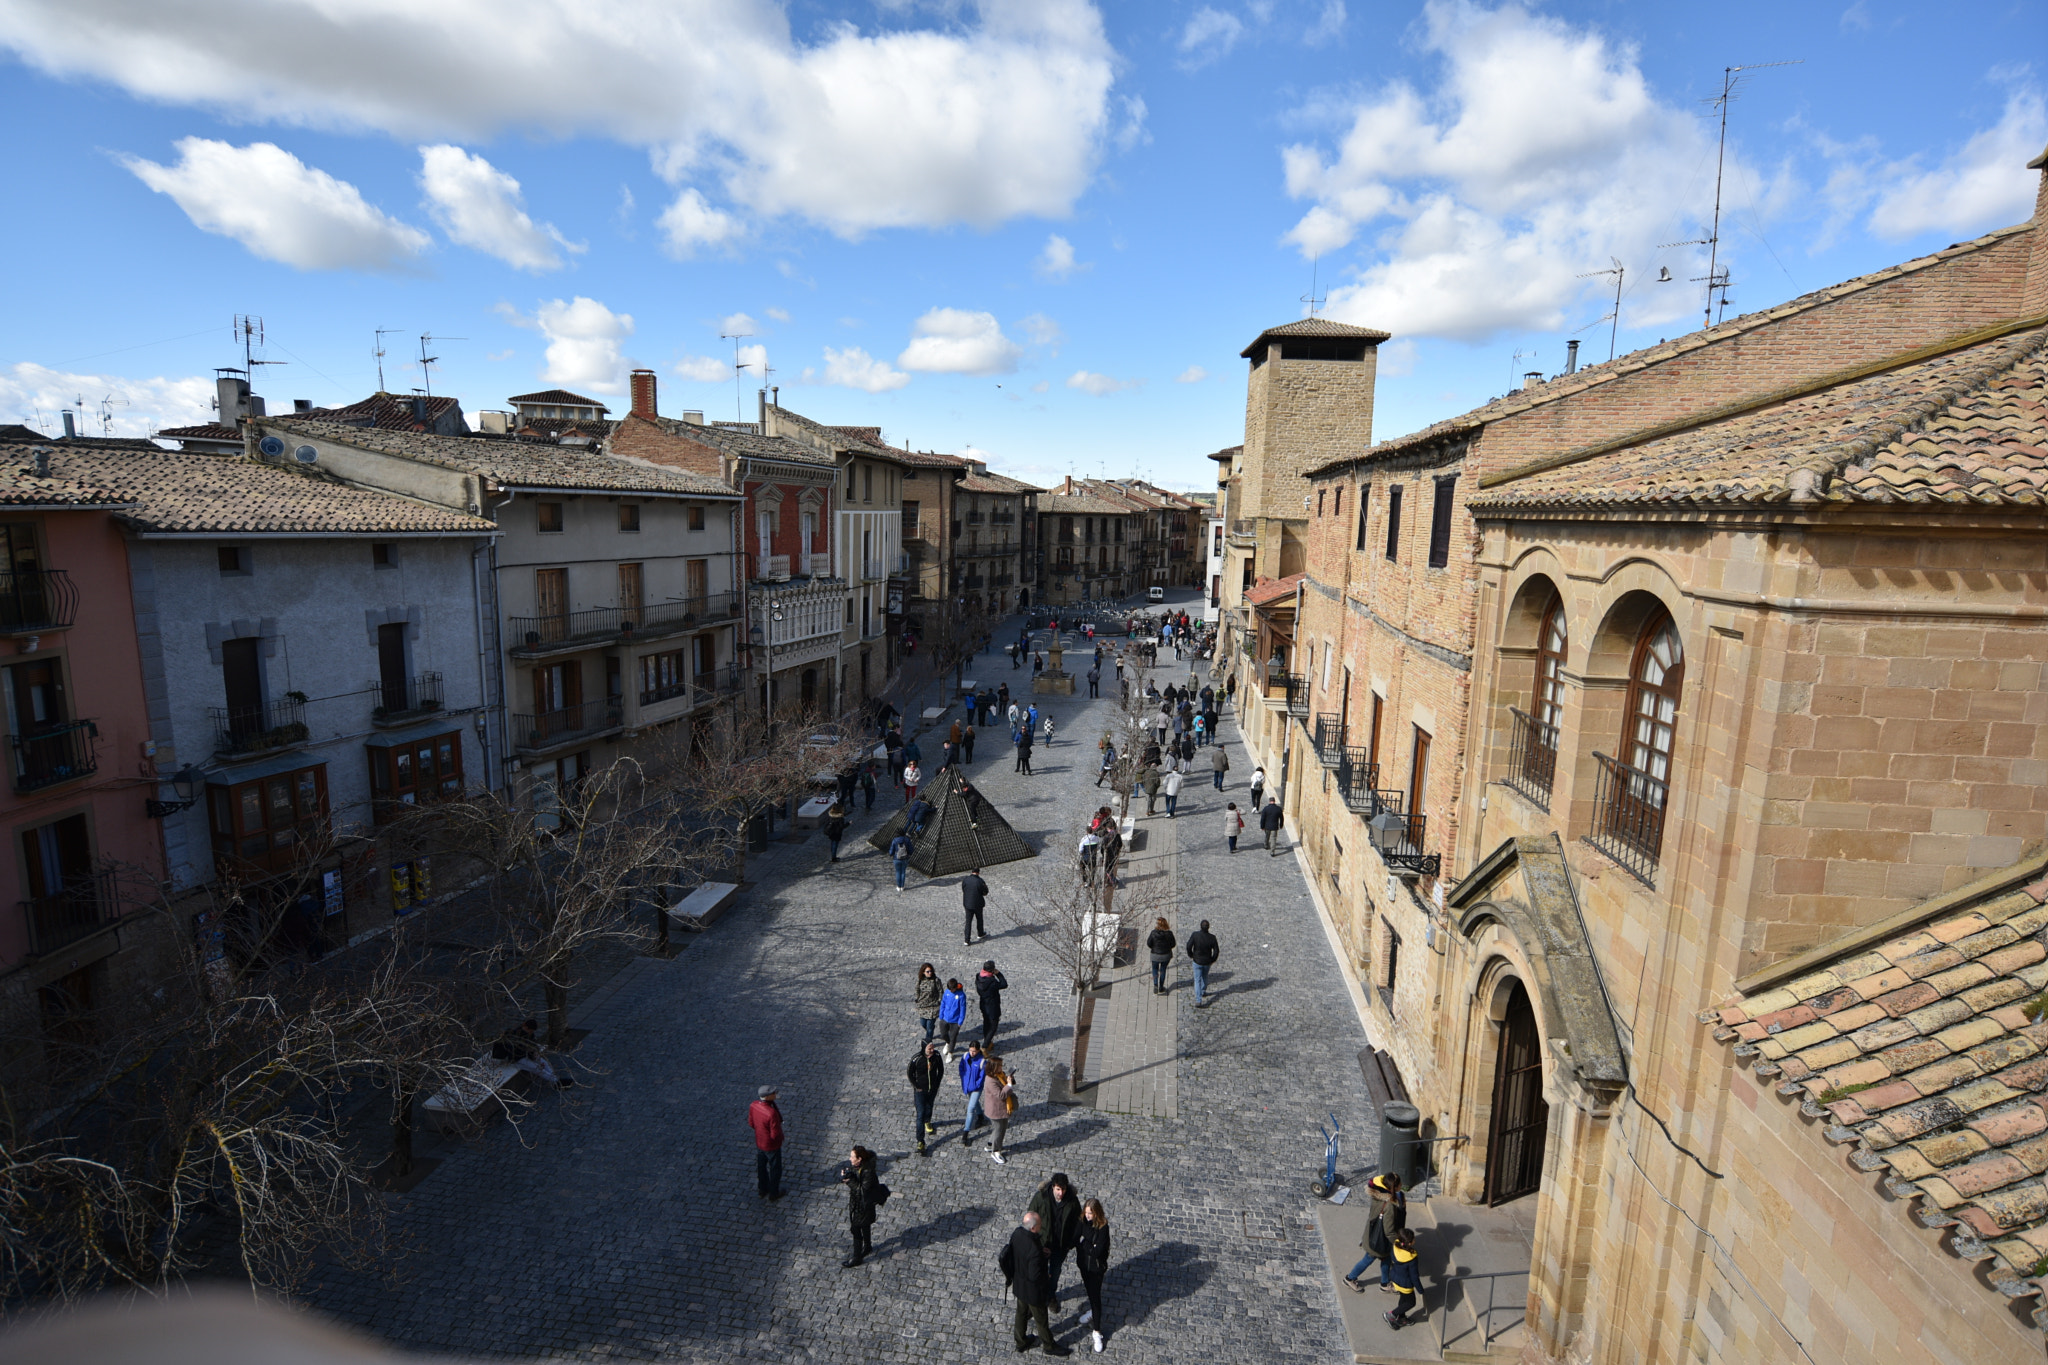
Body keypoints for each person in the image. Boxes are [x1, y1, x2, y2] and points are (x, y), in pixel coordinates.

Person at [1004, 1211, 1069, 1356]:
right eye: (1040, 1225)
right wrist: (1047, 1274)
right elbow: (1035, 1275)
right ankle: (1049, 1345)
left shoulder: (1017, 1233)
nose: (1041, 1226)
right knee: (1041, 1320)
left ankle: (1020, 1341)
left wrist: (1040, 1251)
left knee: (1021, 1313)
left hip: (1019, 1285)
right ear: (1033, 1228)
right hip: (1033, 1292)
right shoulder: (1034, 1250)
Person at [1344, 1172, 1407, 1291]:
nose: (1402, 1185)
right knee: (1368, 1259)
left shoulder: (1378, 1195)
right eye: (1400, 1183)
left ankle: (1384, 1283)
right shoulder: (1389, 1206)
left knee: (1386, 1259)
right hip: (1379, 1240)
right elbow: (1388, 1231)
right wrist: (1398, 1243)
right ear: (1394, 1187)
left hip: (1372, 1235)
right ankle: (1350, 1278)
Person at [1029, 1173, 1084, 1304]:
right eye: (1058, 1189)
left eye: (1063, 1189)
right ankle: (1037, 1297)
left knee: (1055, 1272)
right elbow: (1030, 1218)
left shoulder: (1072, 1201)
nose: (1061, 1193)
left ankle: (1050, 1295)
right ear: (1053, 1187)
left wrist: (1071, 1243)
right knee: (1038, 1272)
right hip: (1042, 1243)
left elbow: (1079, 1222)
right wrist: (1035, 1241)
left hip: (1060, 1246)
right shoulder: (1041, 1198)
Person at [493, 1019, 572, 1088]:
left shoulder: (529, 1034)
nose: (531, 1033)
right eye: (530, 1031)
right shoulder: (515, 1035)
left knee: (544, 1063)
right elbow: (514, 1053)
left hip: (527, 1055)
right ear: (526, 1027)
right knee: (537, 1068)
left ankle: (555, 1080)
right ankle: (556, 1081)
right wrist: (529, 1052)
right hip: (517, 1059)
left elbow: (533, 1044)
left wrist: (534, 1052)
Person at [1075, 1199, 1110, 1352]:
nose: (1088, 1216)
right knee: (1090, 1292)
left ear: (1097, 1213)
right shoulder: (1083, 1221)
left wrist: (1085, 1244)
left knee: (1095, 1298)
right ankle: (1092, 1313)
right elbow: (1076, 1237)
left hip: (1096, 1269)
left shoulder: (1103, 1227)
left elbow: (1098, 1251)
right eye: (1086, 1212)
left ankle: (1097, 1331)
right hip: (1084, 1266)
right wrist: (1089, 1243)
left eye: (1091, 1213)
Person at [838, 1145, 880, 1268]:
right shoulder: (859, 1166)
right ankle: (867, 1246)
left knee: (856, 1229)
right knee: (864, 1224)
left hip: (863, 1206)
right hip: (860, 1204)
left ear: (860, 1159)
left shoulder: (868, 1172)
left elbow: (862, 1191)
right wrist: (847, 1176)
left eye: (852, 1157)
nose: (850, 1159)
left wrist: (850, 1182)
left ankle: (857, 1258)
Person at [748, 1084, 785, 1200]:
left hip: (760, 1142)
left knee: (761, 1167)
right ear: (768, 1097)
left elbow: (751, 1123)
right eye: (773, 1093)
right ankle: (774, 1193)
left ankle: (762, 1189)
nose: (775, 1094)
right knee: (775, 1169)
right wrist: (780, 1140)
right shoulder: (771, 1113)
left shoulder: (753, 1105)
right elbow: (775, 1134)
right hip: (771, 1145)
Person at [1382, 1228, 1423, 1330]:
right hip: (1406, 1284)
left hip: (1395, 1278)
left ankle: (1402, 1318)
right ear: (1409, 1243)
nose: (1415, 1240)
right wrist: (1420, 1289)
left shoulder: (1396, 1247)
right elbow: (1414, 1276)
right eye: (1414, 1239)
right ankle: (1391, 1315)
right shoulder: (1411, 1257)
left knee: (1404, 1299)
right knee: (1411, 1302)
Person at [909, 1042, 945, 1156]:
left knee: (929, 1107)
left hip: (932, 1089)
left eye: (933, 1047)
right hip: (920, 1091)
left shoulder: (937, 1056)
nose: (932, 1050)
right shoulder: (917, 1058)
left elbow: (941, 1070)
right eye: (930, 1048)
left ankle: (928, 1121)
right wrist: (917, 1087)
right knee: (920, 1114)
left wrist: (937, 1084)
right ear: (924, 1048)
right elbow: (910, 1073)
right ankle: (920, 1141)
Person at [981, 1053, 1017, 1163]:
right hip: (995, 1110)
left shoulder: (999, 1074)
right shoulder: (990, 1080)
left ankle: (990, 1144)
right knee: (999, 1130)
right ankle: (996, 1151)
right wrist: (1009, 1085)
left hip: (1001, 1109)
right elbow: (1001, 1095)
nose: (1002, 1068)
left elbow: (1005, 1083)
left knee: (1000, 1127)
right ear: (993, 1067)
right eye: (1000, 1066)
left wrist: (1010, 1080)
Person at [959, 1042, 988, 1143]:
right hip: (967, 1086)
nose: (972, 1053)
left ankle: (965, 1133)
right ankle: (980, 1116)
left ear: (978, 1050)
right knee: (974, 1102)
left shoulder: (982, 1061)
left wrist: (976, 1085)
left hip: (976, 1088)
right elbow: (961, 1068)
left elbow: (982, 1077)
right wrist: (964, 1078)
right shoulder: (965, 1056)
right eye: (971, 1050)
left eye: (974, 1051)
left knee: (970, 1109)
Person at [1186, 919, 1220, 1007]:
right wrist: (1213, 959)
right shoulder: (1212, 937)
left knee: (1197, 980)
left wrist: (1191, 955)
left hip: (1197, 961)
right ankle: (1203, 991)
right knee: (1204, 976)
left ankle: (1198, 999)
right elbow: (1216, 951)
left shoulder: (1195, 935)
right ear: (1208, 927)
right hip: (1207, 961)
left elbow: (1188, 946)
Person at [976, 959, 1008, 1046]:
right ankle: (985, 1045)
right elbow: (1004, 984)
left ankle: (988, 1041)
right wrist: (999, 974)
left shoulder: (978, 977)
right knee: (993, 1026)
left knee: (986, 1023)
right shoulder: (992, 982)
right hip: (992, 1007)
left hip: (983, 1004)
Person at [1146, 917, 1176, 995]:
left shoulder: (1153, 933)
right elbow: (1173, 944)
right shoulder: (1169, 934)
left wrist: (1154, 947)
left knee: (1155, 969)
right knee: (1163, 970)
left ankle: (1155, 984)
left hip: (1155, 955)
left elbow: (1149, 943)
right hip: (1166, 955)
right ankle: (1161, 987)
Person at [938, 978, 969, 1052]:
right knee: (943, 1034)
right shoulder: (947, 992)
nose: (951, 991)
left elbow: (962, 1009)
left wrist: (960, 1021)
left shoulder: (961, 995)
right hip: (945, 1019)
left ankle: (950, 1053)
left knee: (953, 1038)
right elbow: (943, 1003)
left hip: (955, 1021)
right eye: (949, 989)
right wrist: (941, 1015)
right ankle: (947, 1043)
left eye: (952, 989)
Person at [915, 962, 942, 1042]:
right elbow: (917, 989)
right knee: (923, 1023)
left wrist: (939, 1000)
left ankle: (928, 1040)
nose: (930, 973)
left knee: (929, 1026)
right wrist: (918, 998)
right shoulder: (920, 980)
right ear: (923, 972)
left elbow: (940, 991)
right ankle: (930, 1031)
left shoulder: (936, 980)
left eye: (931, 971)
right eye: (928, 971)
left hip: (933, 1006)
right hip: (922, 1006)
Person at [962, 867, 989, 943]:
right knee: (979, 919)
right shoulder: (980, 881)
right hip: (978, 904)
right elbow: (985, 892)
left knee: (968, 922)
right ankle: (980, 933)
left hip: (968, 904)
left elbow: (963, 889)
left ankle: (967, 940)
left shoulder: (965, 880)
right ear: (978, 872)